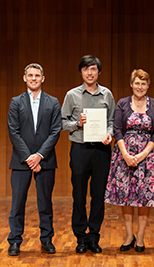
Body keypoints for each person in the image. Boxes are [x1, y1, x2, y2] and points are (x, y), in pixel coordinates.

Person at [104, 69, 154, 252]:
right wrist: (125, 154)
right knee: (126, 196)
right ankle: (129, 235)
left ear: (148, 85)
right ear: (131, 84)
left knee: (144, 197)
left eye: (144, 83)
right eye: (137, 83)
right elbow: (117, 130)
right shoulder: (122, 103)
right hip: (124, 156)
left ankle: (140, 238)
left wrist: (142, 155)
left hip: (147, 158)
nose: (140, 87)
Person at [61, 55, 115, 253]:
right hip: (80, 150)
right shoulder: (72, 95)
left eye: (93, 69)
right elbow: (61, 122)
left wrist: (109, 133)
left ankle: (94, 237)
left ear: (98, 72)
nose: (90, 73)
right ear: (81, 72)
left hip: (101, 150)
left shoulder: (107, 94)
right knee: (79, 195)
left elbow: (111, 120)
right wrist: (77, 124)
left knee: (98, 196)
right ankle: (80, 237)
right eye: (86, 69)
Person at [7, 63, 61, 256]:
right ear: (24, 78)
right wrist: (29, 157)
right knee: (17, 203)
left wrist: (39, 156)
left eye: (37, 75)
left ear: (43, 78)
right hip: (21, 161)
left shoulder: (53, 102)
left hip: (45, 161)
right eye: (30, 75)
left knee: (45, 203)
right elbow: (13, 131)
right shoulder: (16, 102)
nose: (33, 78)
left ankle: (46, 240)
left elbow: (55, 132)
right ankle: (14, 240)